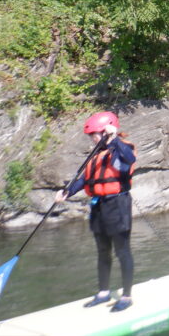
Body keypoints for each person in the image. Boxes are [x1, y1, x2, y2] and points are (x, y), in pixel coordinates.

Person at [55, 111, 137, 312]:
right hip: (98, 206)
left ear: (107, 130)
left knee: (122, 251)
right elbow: (84, 180)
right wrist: (67, 192)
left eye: (95, 134)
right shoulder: (95, 156)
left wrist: (114, 138)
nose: (93, 139)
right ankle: (103, 292)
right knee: (102, 252)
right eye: (91, 135)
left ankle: (126, 296)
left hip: (117, 205)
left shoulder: (121, 149)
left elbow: (128, 160)